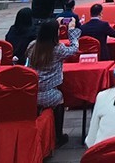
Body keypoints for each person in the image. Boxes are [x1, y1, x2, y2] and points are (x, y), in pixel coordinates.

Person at [26, 18, 80, 147]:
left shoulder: (32, 45)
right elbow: (74, 49)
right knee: (60, 99)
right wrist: (71, 30)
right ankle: (58, 135)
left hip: (32, 92)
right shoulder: (58, 49)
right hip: (49, 92)